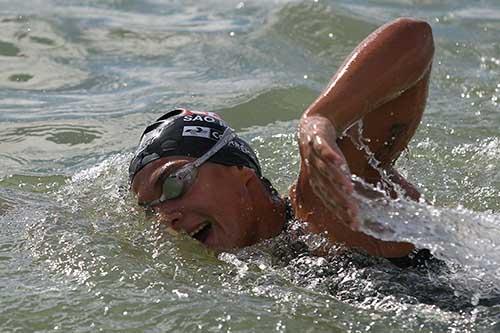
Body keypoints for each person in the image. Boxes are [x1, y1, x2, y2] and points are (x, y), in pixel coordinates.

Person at [129, 17, 434, 262]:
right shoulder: (242, 275)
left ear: (241, 173)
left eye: (173, 184)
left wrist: (321, 119)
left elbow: (413, 37)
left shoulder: (324, 205)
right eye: (150, 210)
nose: (165, 217)